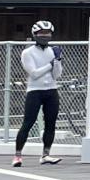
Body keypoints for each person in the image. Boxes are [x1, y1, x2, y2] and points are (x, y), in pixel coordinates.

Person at [13, 20, 64, 167]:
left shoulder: (52, 51)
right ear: (35, 35)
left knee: (51, 123)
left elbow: (56, 75)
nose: (45, 36)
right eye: (41, 33)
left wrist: (58, 60)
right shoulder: (27, 52)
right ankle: (17, 155)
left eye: (48, 33)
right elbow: (34, 74)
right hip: (34, 91)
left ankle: (46, 155)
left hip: (52, 91)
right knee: (28, 122)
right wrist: (51, 63)